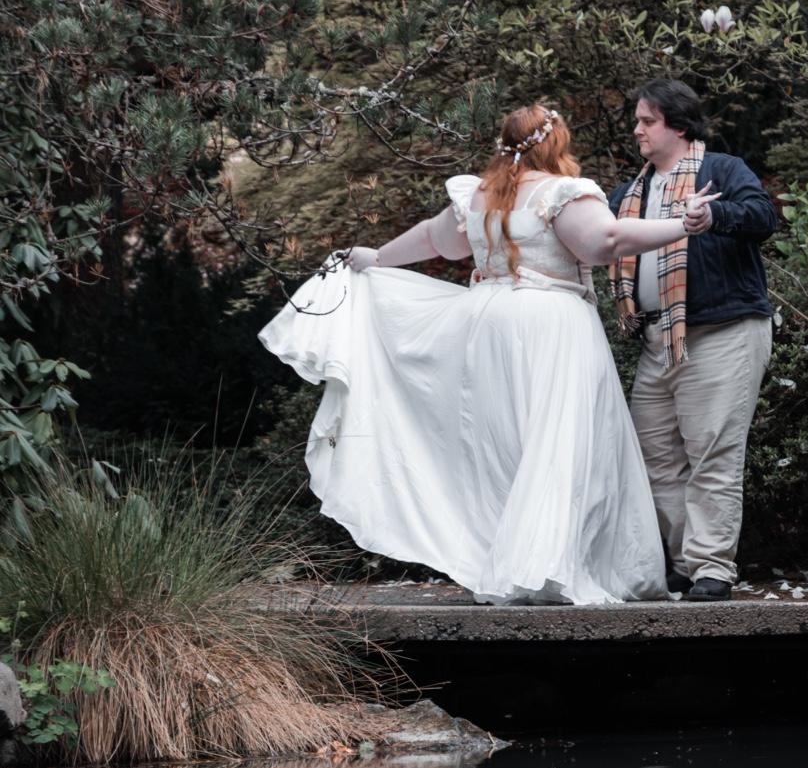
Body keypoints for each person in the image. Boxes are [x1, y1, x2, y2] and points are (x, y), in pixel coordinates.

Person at [259, 104, 717, 605]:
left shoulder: (480, 194)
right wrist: (681, 225)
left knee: (505, 446)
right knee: (560, 440)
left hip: (486, 323)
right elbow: (603, 243)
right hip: (548, 324)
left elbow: (436, 240)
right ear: (554, 142)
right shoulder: (563, 192)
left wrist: (378, 257)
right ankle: (548, 565)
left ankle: (515, 561)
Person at [608, 80, 778, 602]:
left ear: (679, 125)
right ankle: (684, 561)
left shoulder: (721, 170)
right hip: (657, 337)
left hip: (721, 330)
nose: (637, 130)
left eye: (647, 121)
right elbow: (596, 240)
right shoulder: (628, 194)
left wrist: (714, 215)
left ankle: (712, 568)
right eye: (637, 121)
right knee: (654, 455)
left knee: (711, 453)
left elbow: (763, 216)